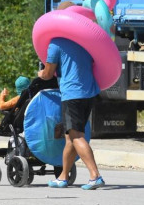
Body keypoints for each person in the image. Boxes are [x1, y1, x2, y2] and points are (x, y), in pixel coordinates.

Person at [40, 32, 106, 190]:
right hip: (88, 92)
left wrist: (40, 73)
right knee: (69, 137)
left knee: (76, 136)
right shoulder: (85, 40)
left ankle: (95, 175)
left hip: (72, 94)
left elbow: (48, 74)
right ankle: (63, 177)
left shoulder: (55, 43)